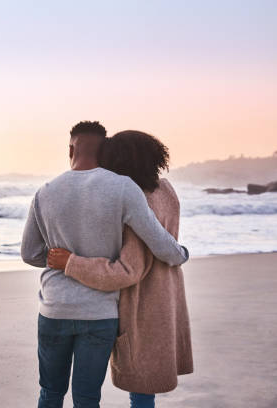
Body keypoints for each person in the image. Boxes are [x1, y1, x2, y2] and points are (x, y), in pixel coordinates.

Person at [21, 121, 189, 408]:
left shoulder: (46, 191)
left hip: (59, 307)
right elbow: (159, 242)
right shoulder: (137, 190)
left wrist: (60, 261)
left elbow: (30, 253)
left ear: (70, 148)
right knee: (88, 398)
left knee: (50, 391)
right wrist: (181, 253)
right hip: (103, 311)